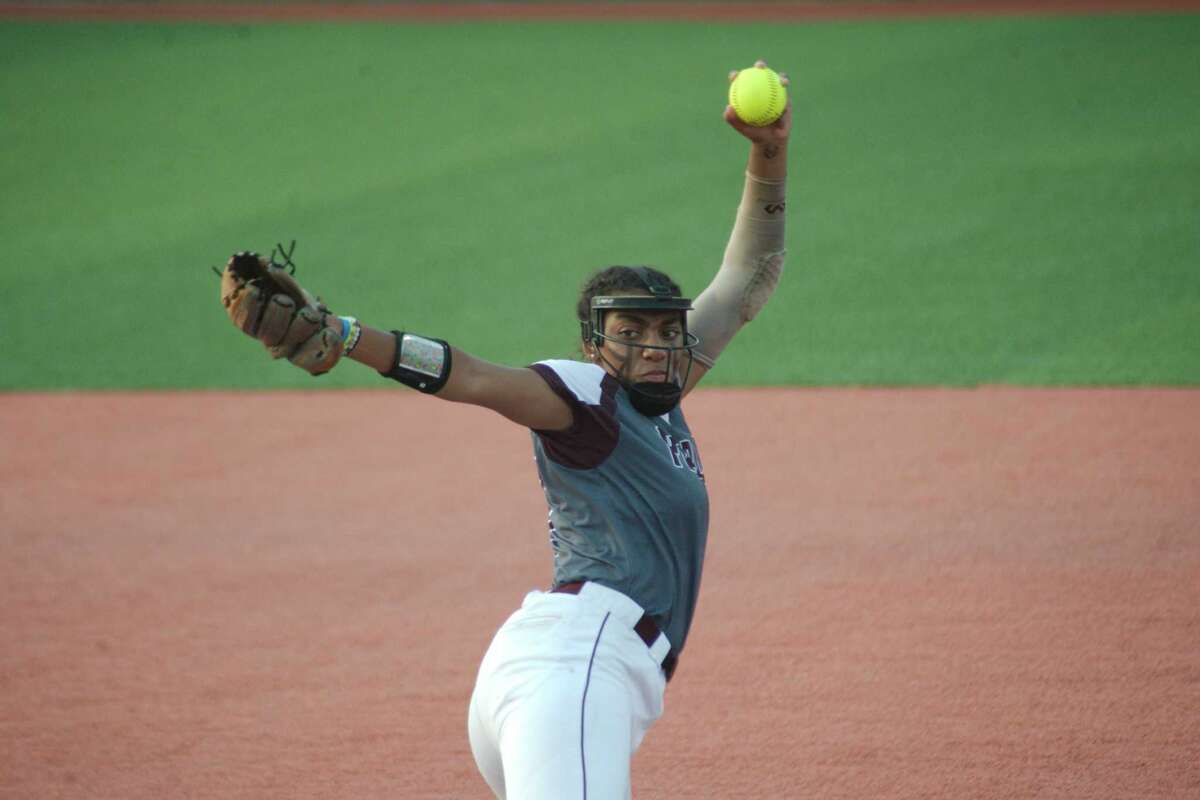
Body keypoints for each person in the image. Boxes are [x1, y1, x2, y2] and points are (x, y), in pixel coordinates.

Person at [219, 61, 790, 799]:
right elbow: (476, 377)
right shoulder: (588, 396)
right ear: (595, 345)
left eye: (664, 330)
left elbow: (748, 278)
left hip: (569, 674)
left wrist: (768, 150)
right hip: (576, 669)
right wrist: (348, 335)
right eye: (630, 331)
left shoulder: (662, 397)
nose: (653, 345)